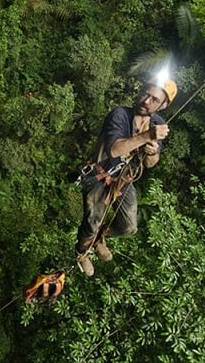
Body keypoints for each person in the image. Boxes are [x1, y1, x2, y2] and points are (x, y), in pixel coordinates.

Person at [74, 76, 177, 277]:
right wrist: (147, 136)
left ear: (163, 105)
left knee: (129, 226)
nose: (146, 101)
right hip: (98, 174)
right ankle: (81, 253)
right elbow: (114, 150)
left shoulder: (157, 123)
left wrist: (152, 151)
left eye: (154, 100)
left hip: (123, 178)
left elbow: (150, 164)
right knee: (92, 220)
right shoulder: (120, 115)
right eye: (145, 94)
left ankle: (99, 239)